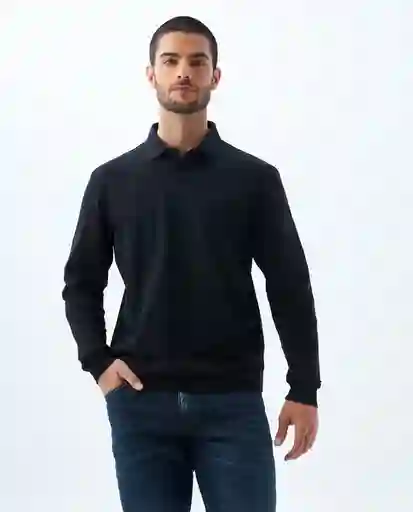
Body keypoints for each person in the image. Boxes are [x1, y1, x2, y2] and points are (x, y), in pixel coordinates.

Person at [62, 15, 321, 512]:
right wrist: (99, 363)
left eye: (197, 62)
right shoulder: (112, 181)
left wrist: (304, 387)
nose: (184, 71)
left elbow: (289, 286)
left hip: (232, 404)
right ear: (151, 74)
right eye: (171, 61)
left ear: (214, 76)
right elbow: (81, 283)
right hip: (141, 405)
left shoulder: (254, 180)